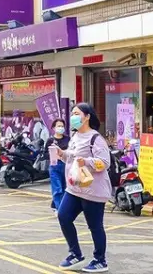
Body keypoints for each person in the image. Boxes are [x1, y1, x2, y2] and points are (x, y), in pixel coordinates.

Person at [53, 103, 112, 273]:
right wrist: (62, 154)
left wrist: (87, 162)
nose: (73, 117)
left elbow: (105, 163)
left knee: (94, 226)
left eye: (77, 113)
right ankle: (75, 254)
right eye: (72, 113)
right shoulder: (75, 136)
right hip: (74, 188)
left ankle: (100, 260)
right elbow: (72, 159)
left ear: (87, 117)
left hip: (93, 190)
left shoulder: (96, 138)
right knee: (63, 216)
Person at [44, 118, 69, 213]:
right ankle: (60, 210)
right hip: (54, 166)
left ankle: (55, 205)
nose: (61, 128)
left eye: (62, 126)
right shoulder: (50, 140)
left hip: (66, 166)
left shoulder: (68, 139)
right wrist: (53, 155)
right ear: (54, 128)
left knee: (65, 188)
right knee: (57, 188)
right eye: (58, 126)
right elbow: (45, 154)